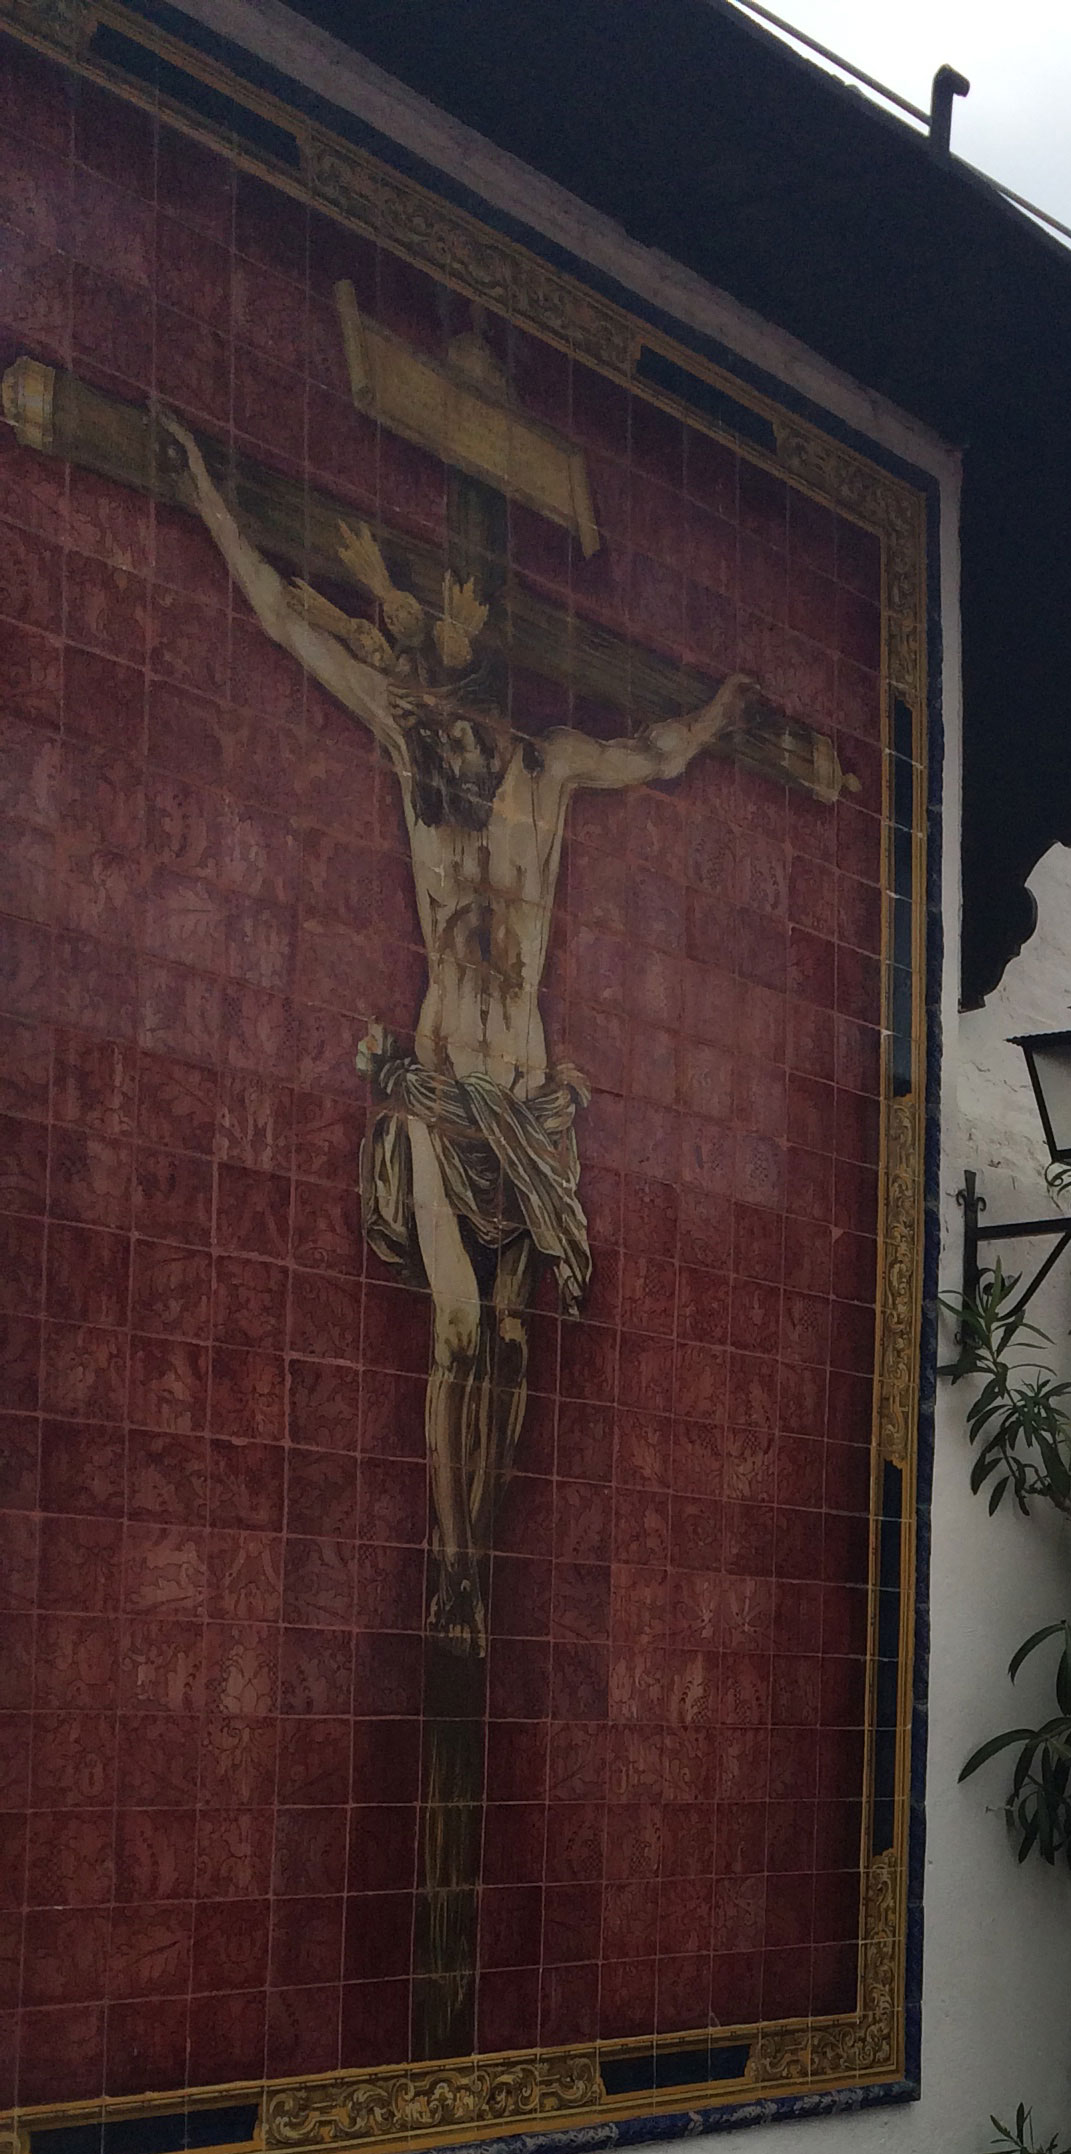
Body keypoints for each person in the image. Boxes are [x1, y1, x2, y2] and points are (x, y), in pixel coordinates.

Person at [158, 409, 762, 1654]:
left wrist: (717, 718)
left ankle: (477, 1541)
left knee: (508, 1336)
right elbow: (281, 618)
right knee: (453, 1326)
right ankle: (450, 1571)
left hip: (533, 1115)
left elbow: (653, 753)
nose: (450, 676)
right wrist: (211, 494)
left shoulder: (547, 771)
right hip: (440, 1098)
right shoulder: (418, 756)